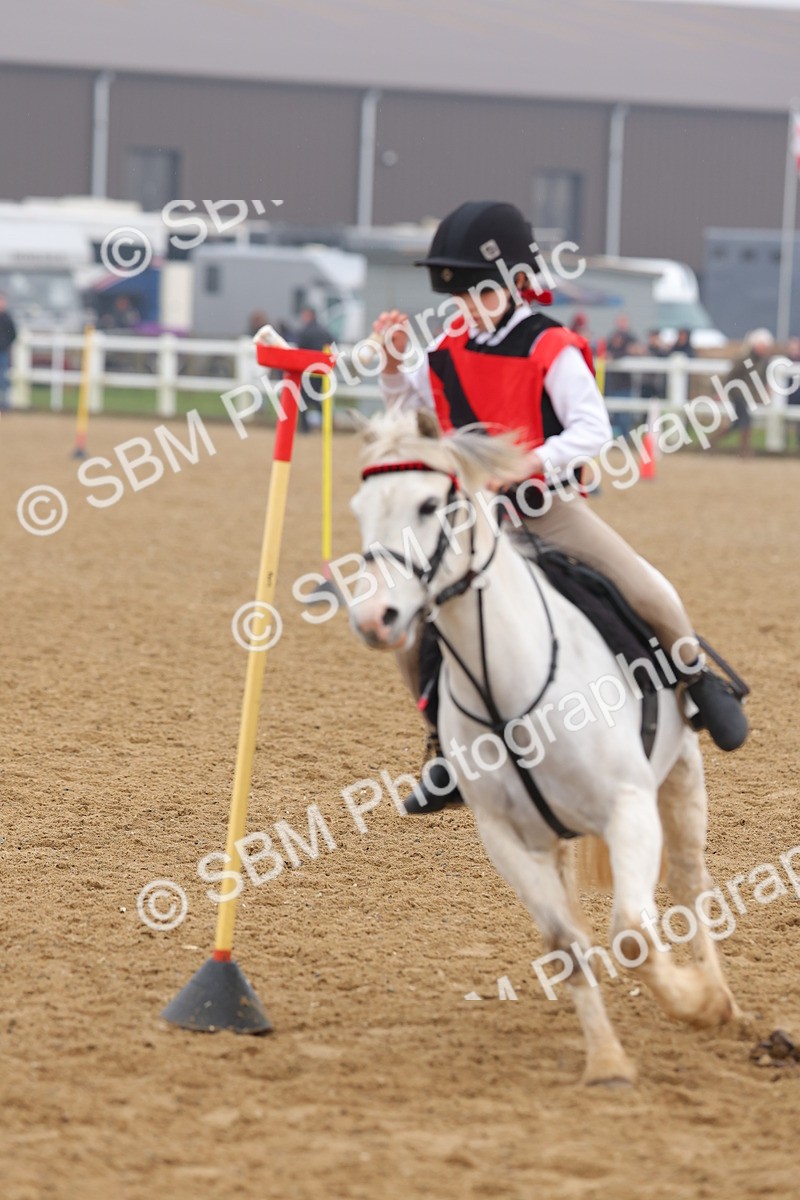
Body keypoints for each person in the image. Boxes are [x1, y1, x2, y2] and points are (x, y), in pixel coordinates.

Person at [372, 200, 748, 813]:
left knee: (647, 588)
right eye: (459, 294)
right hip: (472, 519)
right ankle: (445, 747)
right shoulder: (444, 346)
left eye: (478, 291)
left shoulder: (551, 345)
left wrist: (529, 463)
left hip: (546, 507)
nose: (466, 304)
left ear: (517, 284)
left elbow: (593, 430)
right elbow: (404, 413)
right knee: (409, 627)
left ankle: (698, 678)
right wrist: (392, 366)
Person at [711, 328, 774, 458]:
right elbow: (731, 376)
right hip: (738, 394)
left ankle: (710, 443)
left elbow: (763, 378)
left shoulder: (763, 361)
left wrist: (766, 389)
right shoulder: (745, 359)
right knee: (746, 421)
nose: (765, 348)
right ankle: (744, 451)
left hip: (747, 396)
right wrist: (721, 392)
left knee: (736, 424)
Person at [295, 306, 333, 432]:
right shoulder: (324, 331)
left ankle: (304, 428)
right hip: (321, 370)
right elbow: (331, 344)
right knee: (318, 399)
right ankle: (327, 425)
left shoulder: (306, 331)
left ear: (309, 316)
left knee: (303, 399)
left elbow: (299, 349)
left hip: (307, 370)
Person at [604, 315, 643, 437]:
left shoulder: (631, 338)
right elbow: (607, 353)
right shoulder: (613, 337)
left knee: (624, 414)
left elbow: (635, 352)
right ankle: (615, 437)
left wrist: (614, 356)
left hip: (625, 383)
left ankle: (624, 438)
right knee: (614, 413)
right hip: (613, 382)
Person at [0, 293, 17, 411]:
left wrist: (5, 345)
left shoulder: (8, 318)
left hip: (3, 352)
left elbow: (13, 334)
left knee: (3, 377)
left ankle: (5, 403)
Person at [640, 329, 668, 400]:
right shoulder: (646, 350)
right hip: (646, 383)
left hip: (658, 384)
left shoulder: (662, 351)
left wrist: (661, 348)